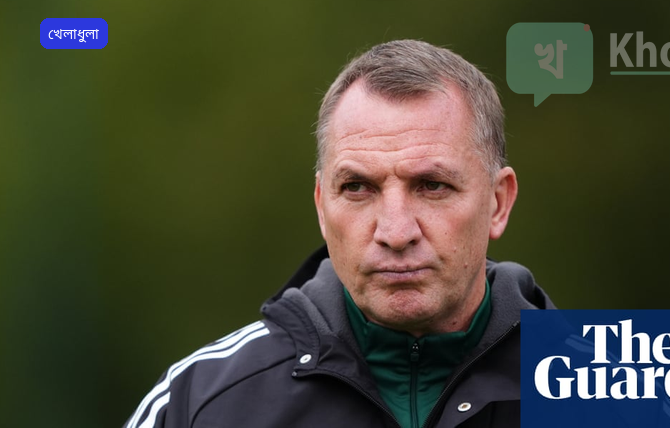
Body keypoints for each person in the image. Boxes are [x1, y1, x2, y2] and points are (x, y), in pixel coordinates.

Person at [123, 39, 556, 428]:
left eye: (432, 185)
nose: (396, 232)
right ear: (321, 206)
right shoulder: (201, 401)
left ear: (498, 202)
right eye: (357, 188)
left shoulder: (591, 387)